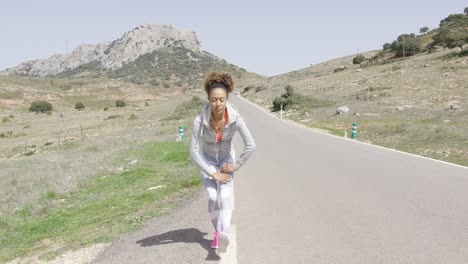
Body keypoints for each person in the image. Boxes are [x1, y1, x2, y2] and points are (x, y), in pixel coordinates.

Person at [189, 72, 256, 253]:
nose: (217, 104)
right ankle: (217, 232)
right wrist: (212, 173)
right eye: (213, 100)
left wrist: (236, 165)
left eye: (221, 99)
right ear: (208, 99)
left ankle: (222, 234)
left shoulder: (235, 117)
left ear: (226, 99)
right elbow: (193, 152)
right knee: (212, 197)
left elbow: (251, 145)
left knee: (224, 197)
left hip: (226, 159)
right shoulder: (199, 121)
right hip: (208, 160)